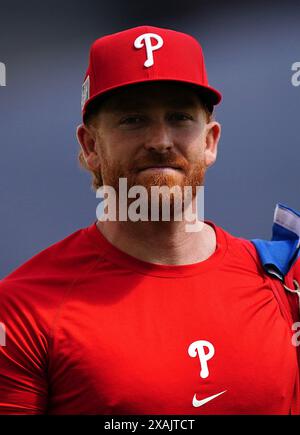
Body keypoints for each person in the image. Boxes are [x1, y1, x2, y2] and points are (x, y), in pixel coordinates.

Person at [0, 25, 299, 415]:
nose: (160, 140)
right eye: (133, 120)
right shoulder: (22, 308)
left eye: (178, 117)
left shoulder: (285, 283)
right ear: (90, 147)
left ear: (210, 142)